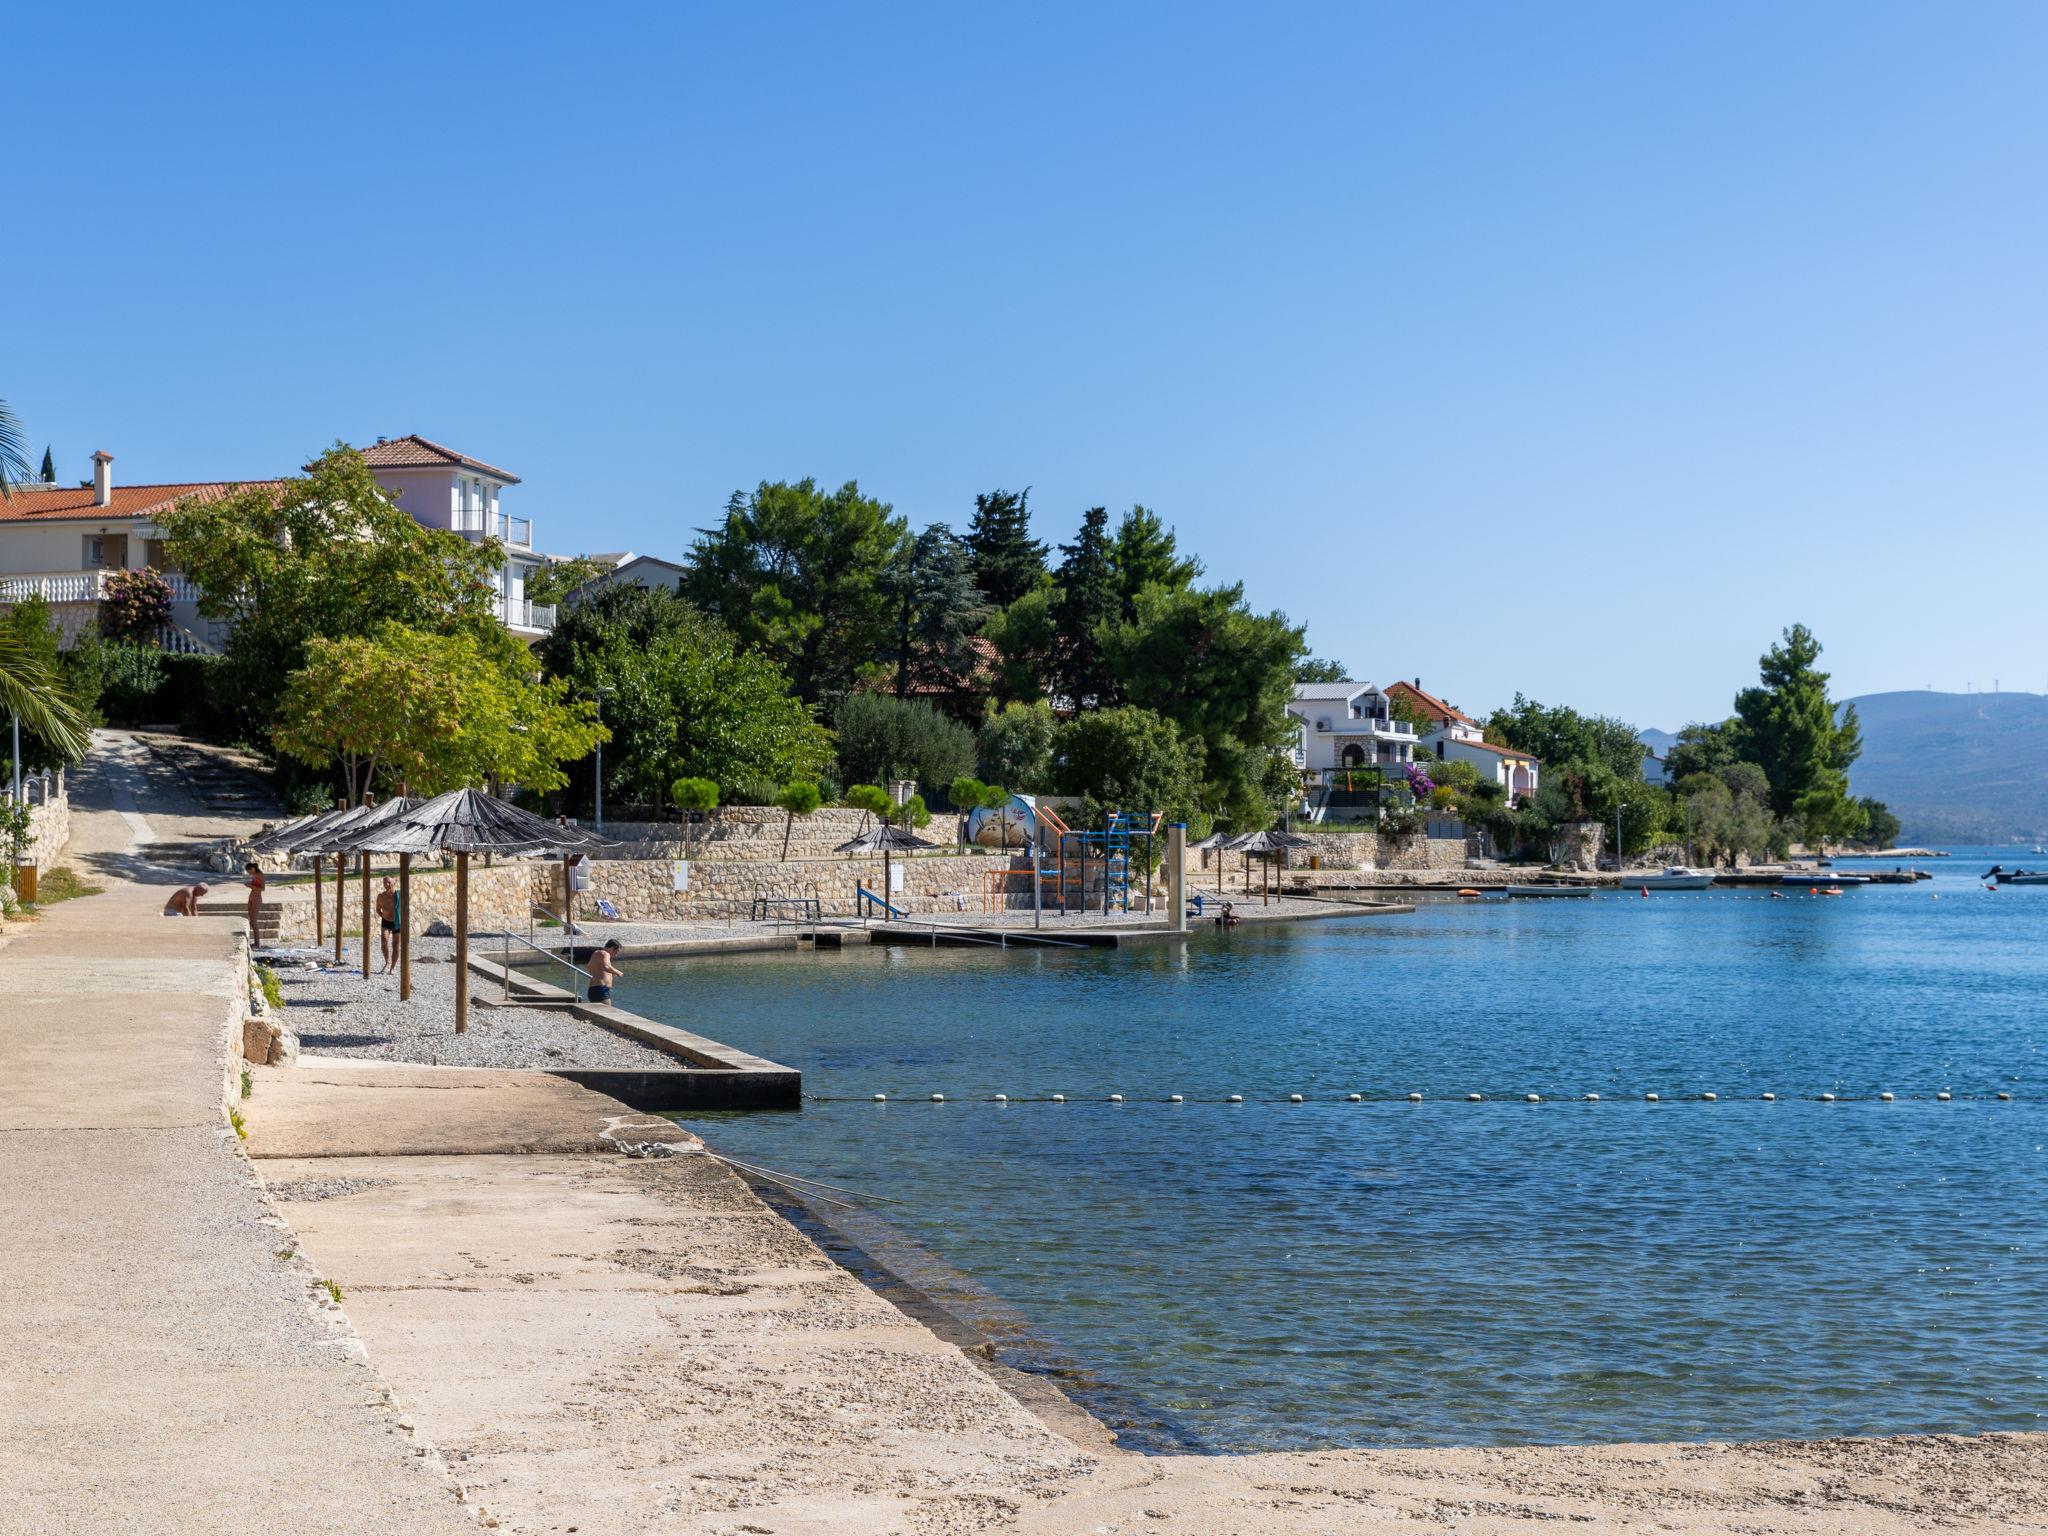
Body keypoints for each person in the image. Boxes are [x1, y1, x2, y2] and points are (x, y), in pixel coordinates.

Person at [375, 876, 401, 974]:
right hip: (386, 921)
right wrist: (384, 915)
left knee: (396, 945)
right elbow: (378, 909)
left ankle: (392, 967)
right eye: (385, 882)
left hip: (397, 921)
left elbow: (404, 908)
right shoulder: (381, 896)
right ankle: (387, 962)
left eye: (389, 882)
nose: (387, 884)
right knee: (384, 941)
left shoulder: (399, 895)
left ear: (394, 883)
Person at [587, 938, 623, 1004]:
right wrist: (618, 972)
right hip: (601, 989)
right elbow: (606, 966)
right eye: (616, 952)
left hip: (593, 989)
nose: (616, 955)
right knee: (607, 1010)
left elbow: (589, 967)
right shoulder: (605, 953)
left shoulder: (596, 953)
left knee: (597, 1010)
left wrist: (610, 973)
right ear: (612, 948)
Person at [244, 862, 266, 938]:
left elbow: (263, 889)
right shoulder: (255, 875)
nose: (249, 873)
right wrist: (250, 884)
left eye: (249, 871)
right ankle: (254, 940)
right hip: (252, 896)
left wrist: (250, 886)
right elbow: (255, 885)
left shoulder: (260, 875)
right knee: (251, 920)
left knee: (254, 920)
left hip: (257, 898)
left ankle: (257, 942)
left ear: (253, 869)